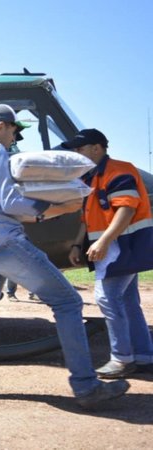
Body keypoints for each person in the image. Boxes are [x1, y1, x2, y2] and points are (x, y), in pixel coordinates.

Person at [0, 104, 129, 408]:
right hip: (3, 241)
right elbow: (11, 203)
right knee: (68, 302)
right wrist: (56, 210)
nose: (15, 138)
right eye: (15, 130)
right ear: (2, 126)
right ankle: (86, 386)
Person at [64, 128, 153, 377]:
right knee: (127, 301)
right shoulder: (91, 177)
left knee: (107, 298)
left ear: (97, 148)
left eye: (80, 149)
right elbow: (87, 217)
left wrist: (103, 241)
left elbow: (125, 210)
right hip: (117, 245)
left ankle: (122, 359)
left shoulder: (118, 170)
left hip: (124, 246)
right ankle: (144, 356)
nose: (76, 153)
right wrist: (76, 244)